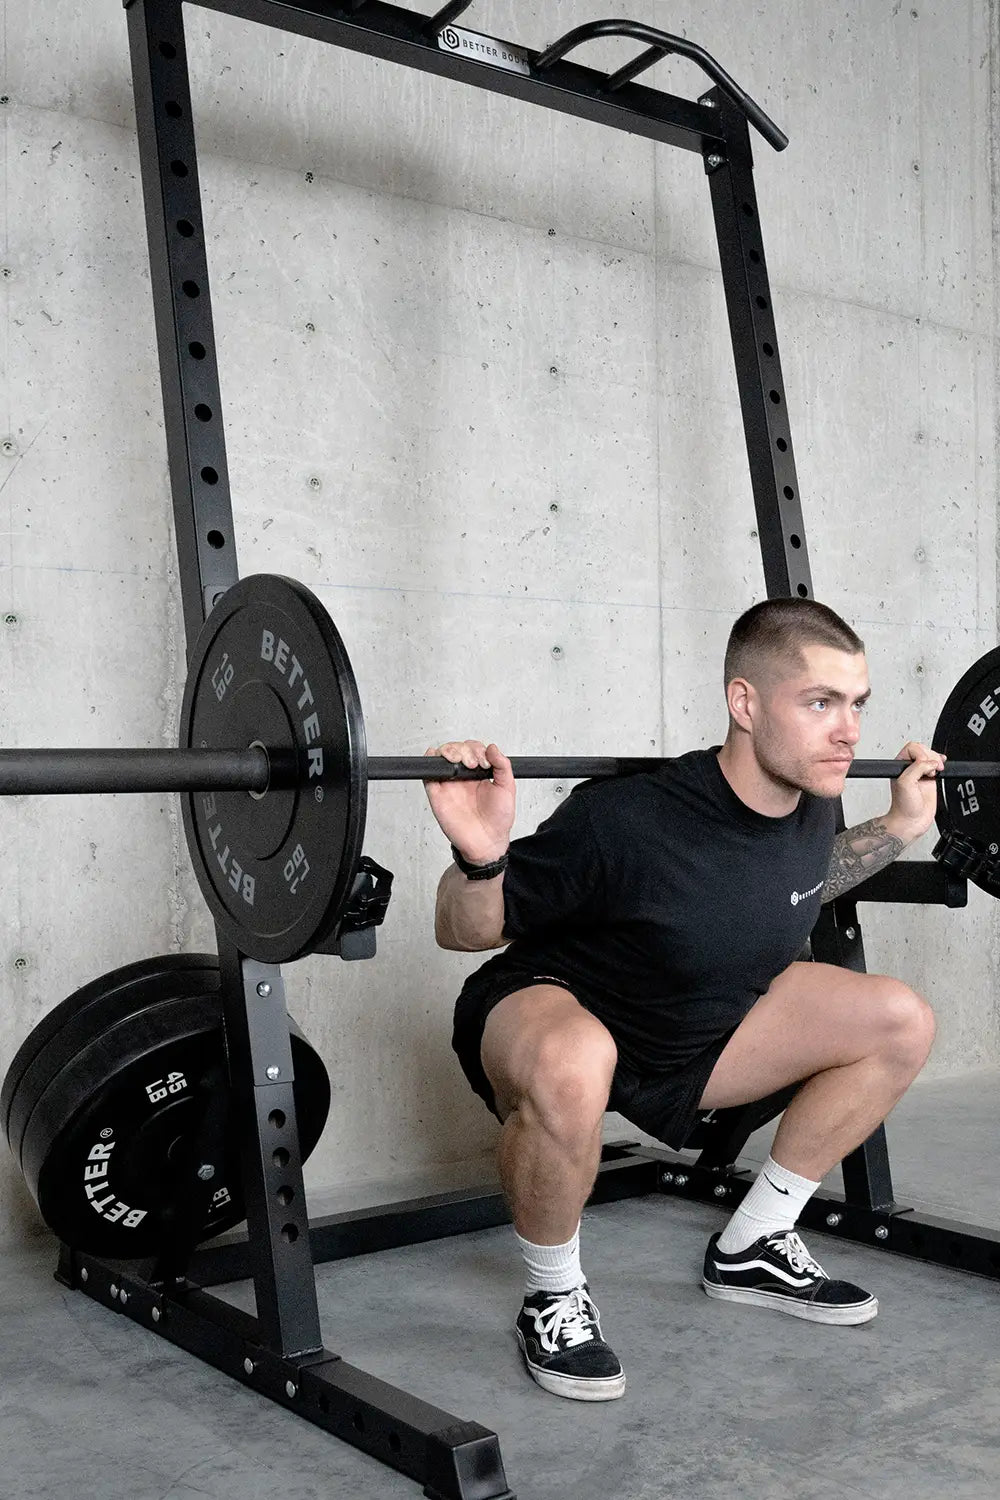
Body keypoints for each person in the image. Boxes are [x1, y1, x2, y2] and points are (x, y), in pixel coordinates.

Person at [424, 598, 941, 1402]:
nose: (849, 731)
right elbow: (463, 933)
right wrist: (483, 859)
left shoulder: (813, 798)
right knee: (575, 1060)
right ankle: (554, 1294)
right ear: (744, 703)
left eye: (856, 705)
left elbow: (800, 882)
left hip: (698, 1034)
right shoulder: (629, 819)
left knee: (900, 1020)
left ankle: (757, 1242)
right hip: (559, 1009)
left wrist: (899, 829)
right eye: (820, 703)